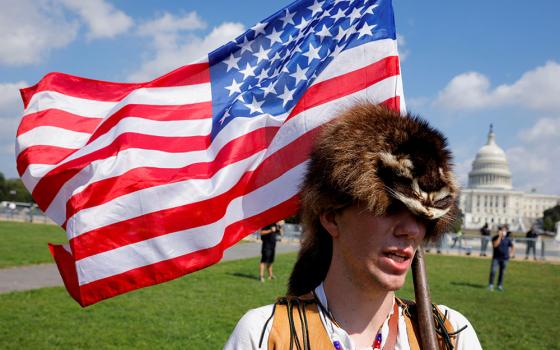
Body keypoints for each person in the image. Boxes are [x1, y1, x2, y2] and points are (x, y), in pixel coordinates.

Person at [225, 103, 481, 349]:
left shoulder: (450, 333)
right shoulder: (264, 336)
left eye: (423, 217)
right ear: (331, 217)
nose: (412, 230)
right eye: (390, 208)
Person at [488, 225, 515, 291]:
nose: (503, 232)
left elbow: (513, 246)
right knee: (493, 271)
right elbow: (495, 245)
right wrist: (499, 237)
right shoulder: (495, 238)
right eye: (502, 230)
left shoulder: (507, 239)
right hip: (496, 258)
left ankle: (499, 286)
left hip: (505, 258)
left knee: (502, 273)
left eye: (504, 230)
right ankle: (491, 285)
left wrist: (511, 253)